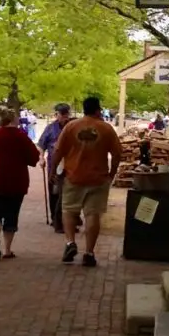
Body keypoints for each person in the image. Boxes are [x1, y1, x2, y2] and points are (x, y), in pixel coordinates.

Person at [51, 96, 121, 267]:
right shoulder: (106, 129)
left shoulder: (71, 126)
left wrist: (53, 171)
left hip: (74, 176)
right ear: (98, 110)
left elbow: (58, 150)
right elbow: (118, 153)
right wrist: (112, 173)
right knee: (93, 214)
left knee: (68, 210)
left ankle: (70, 242)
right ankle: (89, 252)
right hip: (98, 178)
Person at [0, 106, 40, 259]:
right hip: (17, 181)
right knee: (12, 214)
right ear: (14, 120)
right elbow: (34, 158)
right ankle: (7, 250)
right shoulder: (21, 136)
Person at [37, 103, 80, 233]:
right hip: (54, 166)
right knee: (55, 194)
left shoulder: (73, 127)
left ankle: (64, 220)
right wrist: (41, 157)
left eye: (67, 114)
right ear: (56, 115)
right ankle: (56, 220)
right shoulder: (50, 129)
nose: (65, 117)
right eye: (63, 114)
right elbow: (41, 145)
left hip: (71, 166)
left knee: (68, 194)